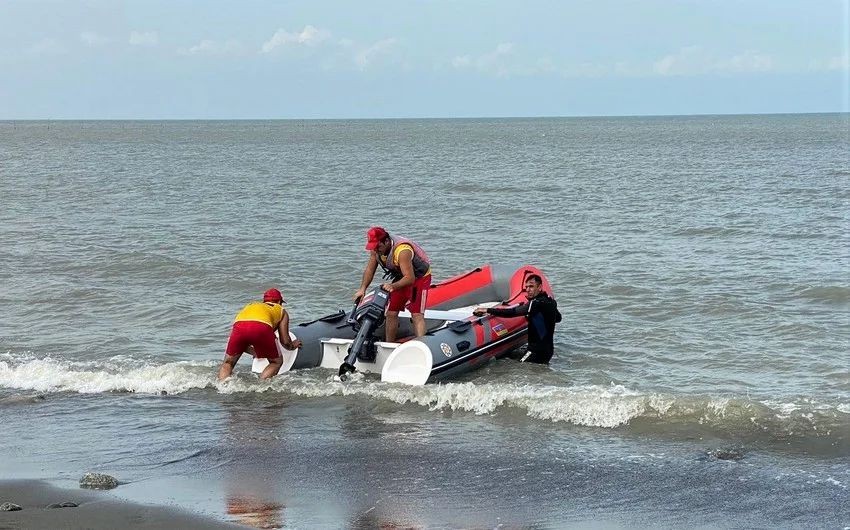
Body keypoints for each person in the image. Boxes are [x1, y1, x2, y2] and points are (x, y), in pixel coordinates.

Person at [353, 226, 432, 342]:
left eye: (378, 246)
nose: (375, 250)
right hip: (401, 276)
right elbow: (370, 270)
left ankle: (423, 344)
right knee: (391, 313)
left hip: (419, 277)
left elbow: (410, 278)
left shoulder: (402, 251)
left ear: (386, 241)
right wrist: (362, 289)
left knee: (416, 315)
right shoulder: (376, 250)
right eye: (373, 247)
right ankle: (389, 345)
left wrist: (392, 286)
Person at [473, 274, 562, 364]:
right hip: (548, 351)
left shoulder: (535, 304)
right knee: (511, 357)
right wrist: (537, 318)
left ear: (539, 287)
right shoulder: (550, 301)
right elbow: (558, 318)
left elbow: (512, 312)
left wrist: (487, 310)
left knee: (518, 366)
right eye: (526, 287)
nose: (528, 290)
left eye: (531, 286)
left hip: (535, 352)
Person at [218, 288, 302, 380]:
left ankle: (222, 386)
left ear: (264, 301)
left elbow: (242, 340)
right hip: (262, 328)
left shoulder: (250, 306)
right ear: (279, 301)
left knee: (228, 363)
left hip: (239, 327)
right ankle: (261, 385)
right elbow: (285, 341)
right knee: (276, 362)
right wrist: (293, 345)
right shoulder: (280, 310)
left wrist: (256, 352)